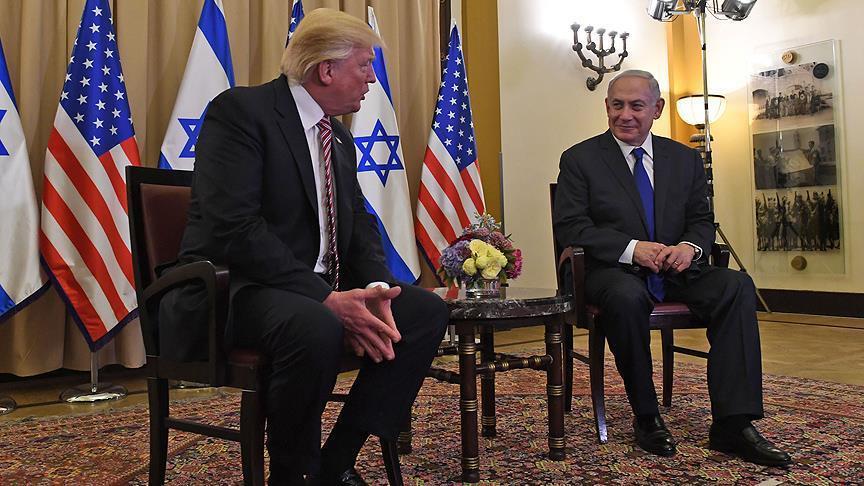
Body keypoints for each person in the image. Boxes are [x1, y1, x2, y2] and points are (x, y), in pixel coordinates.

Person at [160, 8, 449, 485]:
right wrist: (327, 298)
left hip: (309, 291)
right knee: (315, 323)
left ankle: (336, 463)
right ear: (327, 69)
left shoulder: (337, 137)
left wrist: (377, 291)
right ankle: (293, 473)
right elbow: (235, 228)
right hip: (236, 289)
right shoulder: (242, 113)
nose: (372, 79)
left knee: (423, 313)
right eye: (365, 66)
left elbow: (359, 226)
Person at [553, 70, 791, 467]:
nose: (625, 114)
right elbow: (571, 227)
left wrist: (690, 247)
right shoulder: (580, 159)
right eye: (617, 105)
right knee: (626, 297)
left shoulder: (684, 158)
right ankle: (647, 416)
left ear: (657, 109)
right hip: (612, 272)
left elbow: (701, 220)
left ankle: (733, 424)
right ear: (607, 106)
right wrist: (633, 250)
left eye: (636, 106)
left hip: (674, 270)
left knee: (736, 286)